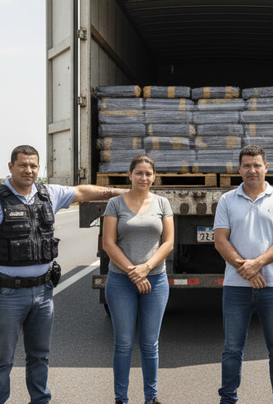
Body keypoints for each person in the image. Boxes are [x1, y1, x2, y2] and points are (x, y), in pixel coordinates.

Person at [0, 145, 127, 404]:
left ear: (39, 168)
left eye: (33, 165)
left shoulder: (48, 194)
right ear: (11, 167)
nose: (28, 170)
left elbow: (82, 192)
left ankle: (40, 400)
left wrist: (120, 192)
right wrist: (0, 261)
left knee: (40, 355)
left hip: (43, 292)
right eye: (22, 165)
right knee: (2, 358)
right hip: (8, 293)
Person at [213, 145, 273, 404]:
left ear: (266, 167)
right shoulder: (227, 200)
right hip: (235, 287)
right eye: (247, 166)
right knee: (232, 349)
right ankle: (228, 399)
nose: (252, 170)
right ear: (239, 169)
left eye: (257, 165)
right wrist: (248, 271)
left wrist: (257, 264)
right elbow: (220, 241)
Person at [102, 154, 174, 404]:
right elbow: (108, 243)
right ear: (129, 175)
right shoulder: (115, 204)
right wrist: (134, 271)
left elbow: (168, 242)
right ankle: (121, 399)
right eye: (139, 173)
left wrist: (147, 268)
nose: (144, 177)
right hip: (120, 281)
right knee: (123, 344)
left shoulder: (162, 203)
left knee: (150, 344)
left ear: (154, 177)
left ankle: (151, 398)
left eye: (148, 174)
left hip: (156, 281)